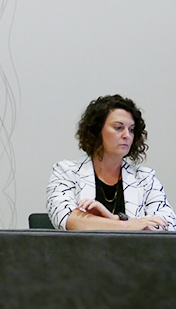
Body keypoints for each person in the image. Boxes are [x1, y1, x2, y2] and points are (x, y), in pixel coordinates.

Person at [47, 94, 176, 231]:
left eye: (131, 129)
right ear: (97, 131)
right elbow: (68, 220)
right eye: (119, 128)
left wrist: (114, 218)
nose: (127, 135)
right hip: (82, 252)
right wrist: (130, 225)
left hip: (136, 253)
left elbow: (168, 226)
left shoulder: (145, 178)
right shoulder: (66, 172)